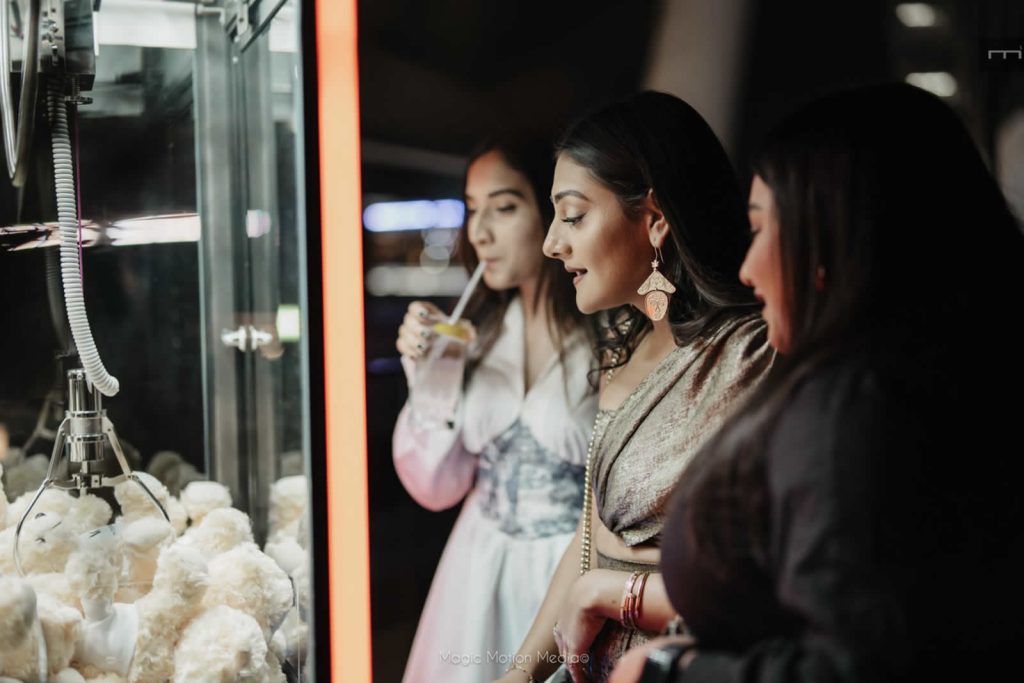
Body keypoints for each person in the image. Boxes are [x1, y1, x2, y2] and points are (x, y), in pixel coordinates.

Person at [611, 83, 1024, 683]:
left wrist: (672, 671)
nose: (748, 270)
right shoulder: (941, 385)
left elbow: (851, 664)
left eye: (760, 230)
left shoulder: (848, 410)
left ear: (833, 238)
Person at [495, 92, 774, 683]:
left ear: (654, 219)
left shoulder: (751, 355)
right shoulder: (625, 347)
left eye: (573, 216)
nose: (551, 243)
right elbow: (590, 543)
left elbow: (768, 575)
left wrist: (622, 588)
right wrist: (518, 676)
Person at [393, 137, 599, 683]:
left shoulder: (608, 337)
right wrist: (432, 380)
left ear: (554, 212)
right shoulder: (475, 335)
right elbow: (434, 490)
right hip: (476, 570)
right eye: (472, 209)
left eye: (504, 208)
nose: (479, 232)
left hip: (571, 573)